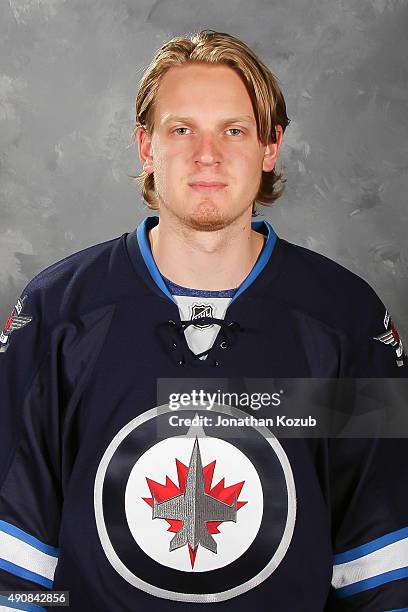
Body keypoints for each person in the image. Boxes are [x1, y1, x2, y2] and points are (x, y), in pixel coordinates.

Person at [0, 29, 407, 612]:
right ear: (146, 146)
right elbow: (15, 556)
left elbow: (383, 555)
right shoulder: (56, 313)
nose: (207, 154)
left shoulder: (346, 318)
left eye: (234, 131)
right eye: (182, 129)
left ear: (270, 147)